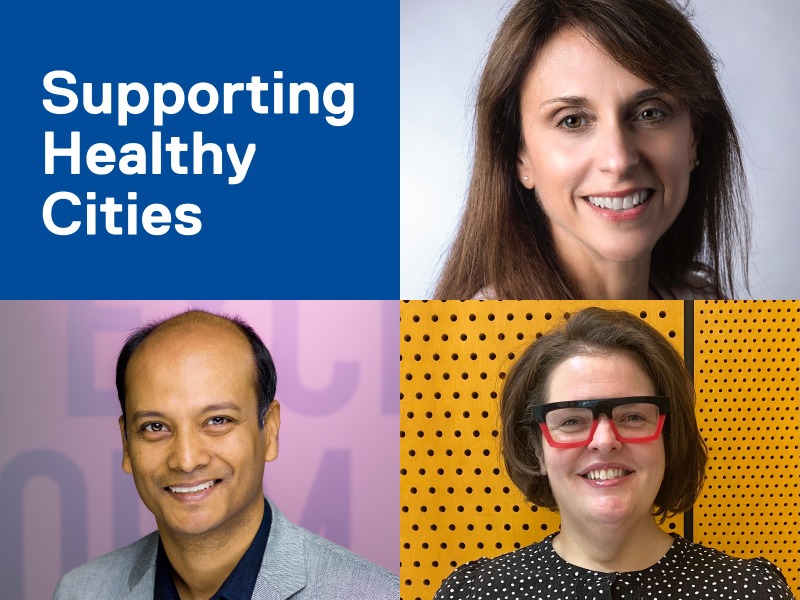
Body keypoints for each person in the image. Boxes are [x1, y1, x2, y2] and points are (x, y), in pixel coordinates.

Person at [434, 307, 794, 599]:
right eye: (572, 421)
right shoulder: (475, 592)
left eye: (633, 416)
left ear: (667, 440)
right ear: (537, 451)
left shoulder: (750, 591)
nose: (604, 440)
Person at [53, 309, 398, 600]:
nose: (186, 460)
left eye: (217, 421)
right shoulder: (79, 591)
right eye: (156, 427)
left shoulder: (372, 593)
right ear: (127, 444)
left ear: (271, 430)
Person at [433, 0, 749, 300]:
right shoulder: (475, 344)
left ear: (693, 138)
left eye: (650, 113)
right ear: (520, 156)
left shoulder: (708, 310)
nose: (619, 160)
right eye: (572, 120)